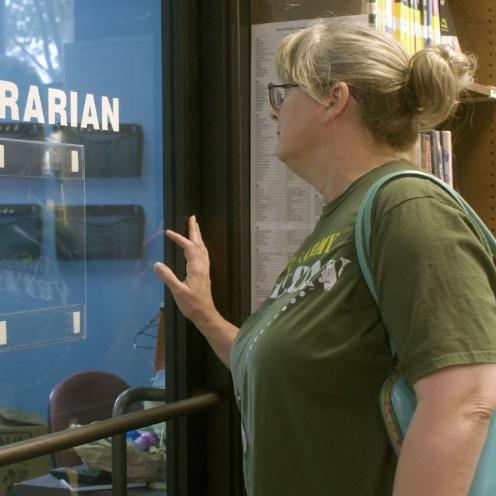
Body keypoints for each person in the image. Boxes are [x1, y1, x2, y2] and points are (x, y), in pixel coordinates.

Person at [154, 16, 496, 496]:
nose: (272, 111)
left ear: (334, 99)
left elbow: (464, 401)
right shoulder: (340, 219)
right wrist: (205, 314)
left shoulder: (408, 207)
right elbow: (287, 367)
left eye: (283, 92)